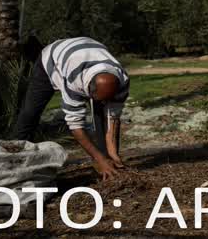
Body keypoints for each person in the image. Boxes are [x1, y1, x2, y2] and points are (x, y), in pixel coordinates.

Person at [11, 36, 131, 180]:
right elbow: (75, 126)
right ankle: (15, 160)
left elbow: (112, 118)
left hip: (83, 55)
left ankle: (107, 162)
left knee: (101, 113)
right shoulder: (75, 80)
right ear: (88, 90)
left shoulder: (121, 81)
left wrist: (113, 154)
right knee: (30, 113)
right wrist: (100, 159)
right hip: (51, 59)